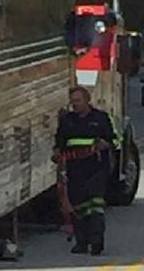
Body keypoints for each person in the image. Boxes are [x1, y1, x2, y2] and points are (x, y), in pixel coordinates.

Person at [52, 86, 115, 255]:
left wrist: (104, 144)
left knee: (95, 207)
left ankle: (96, 242)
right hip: (75, 170)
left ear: (87, 100)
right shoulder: (67, 121)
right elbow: (59, 143)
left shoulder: (101, 118)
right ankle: (81, 242)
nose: (75, 105)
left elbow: (113, 140)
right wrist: (57, 153)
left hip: (96, 169)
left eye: (78, 101)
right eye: (72, 101)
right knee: (78, 208)